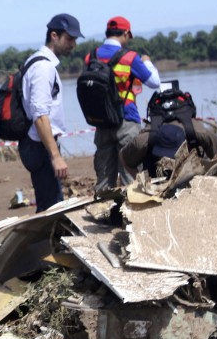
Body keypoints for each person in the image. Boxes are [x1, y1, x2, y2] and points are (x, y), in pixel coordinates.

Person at [85, 16, 161, 192]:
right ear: (126, 33)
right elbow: (154, 82)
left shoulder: (91, 57)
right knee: (132, 179)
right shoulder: (130, 57)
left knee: (104, 179)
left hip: (101, 122)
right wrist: (147, 61)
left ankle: (102, 215)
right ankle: (132, 217)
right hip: (126, 120)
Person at [20, 13, 82, 212]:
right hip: (40, 145)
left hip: (41, 143)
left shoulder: (40, 63)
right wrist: (55, 155)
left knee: (51, 204)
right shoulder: (42, 68)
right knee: (52, 208)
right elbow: (40, 115)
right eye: (70, 39)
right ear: (54, 36)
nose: (73, 44)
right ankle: (44, 243)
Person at [120, 109, 217, 178]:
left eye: (172, 156)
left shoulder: (199, 133)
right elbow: (123, 157)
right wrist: (140, 181)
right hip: (155, 175)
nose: (168, 160)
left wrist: (213, 176)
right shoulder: (142, 141)